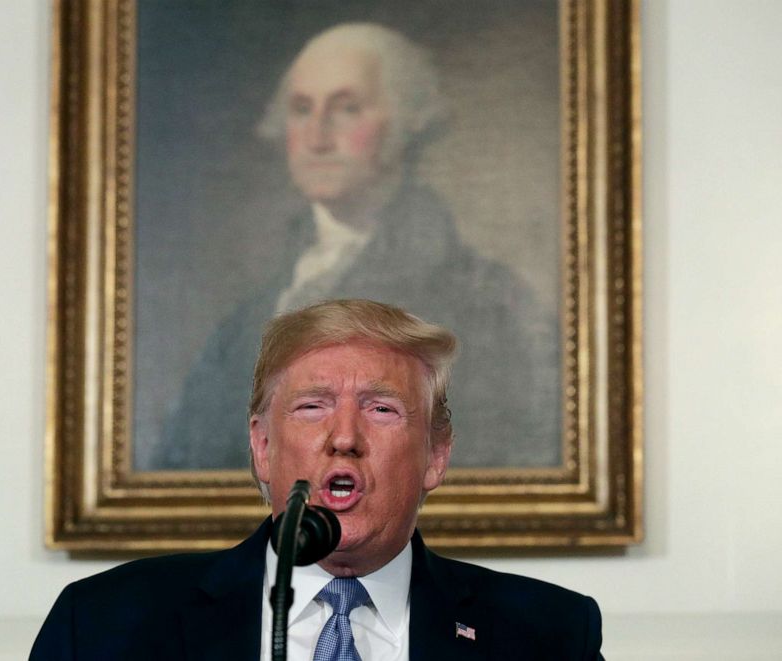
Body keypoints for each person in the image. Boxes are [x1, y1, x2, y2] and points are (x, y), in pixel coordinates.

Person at [32, 299, 603, 660]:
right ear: (261, 447)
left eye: (382, 409)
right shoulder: (105, 623)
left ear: (435, 454)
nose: (344, 437)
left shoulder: (549, 635)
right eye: (312, 407)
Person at [157, 23, 560, 471]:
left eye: (347, 108)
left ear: (406, 122)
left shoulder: (486, 298)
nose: (317, 136)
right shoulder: (254, 305)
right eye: (301, 109)